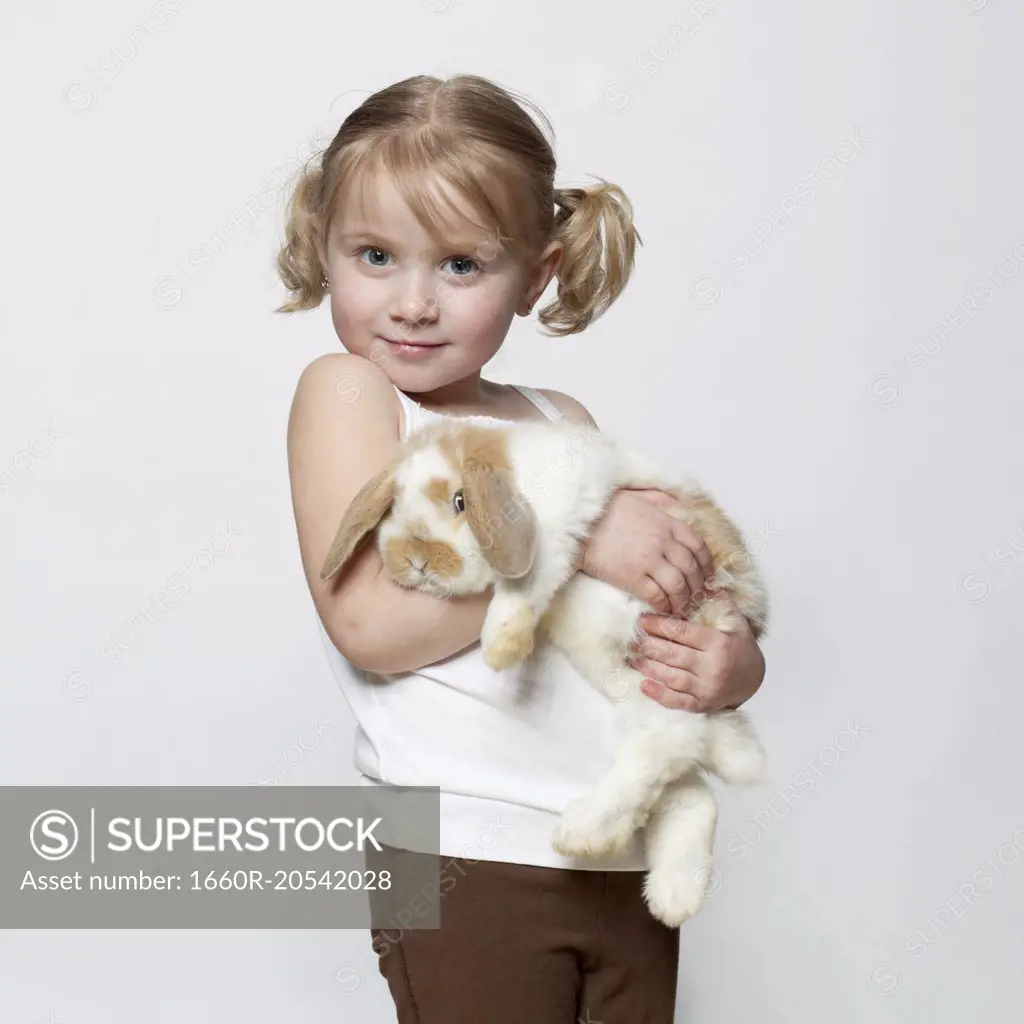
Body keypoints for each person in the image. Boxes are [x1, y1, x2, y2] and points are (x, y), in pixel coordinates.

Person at [280, 73, 766, 1023]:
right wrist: (574, 538)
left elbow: (638, 603)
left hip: (619, 850)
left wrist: (727, 664)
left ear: (536, 276)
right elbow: (369, 623)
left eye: (461, 265)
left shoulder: (560, 418)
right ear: (323, 247)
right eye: (376, 255)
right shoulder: (355, 393)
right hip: (470, 853)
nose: (413, 302)